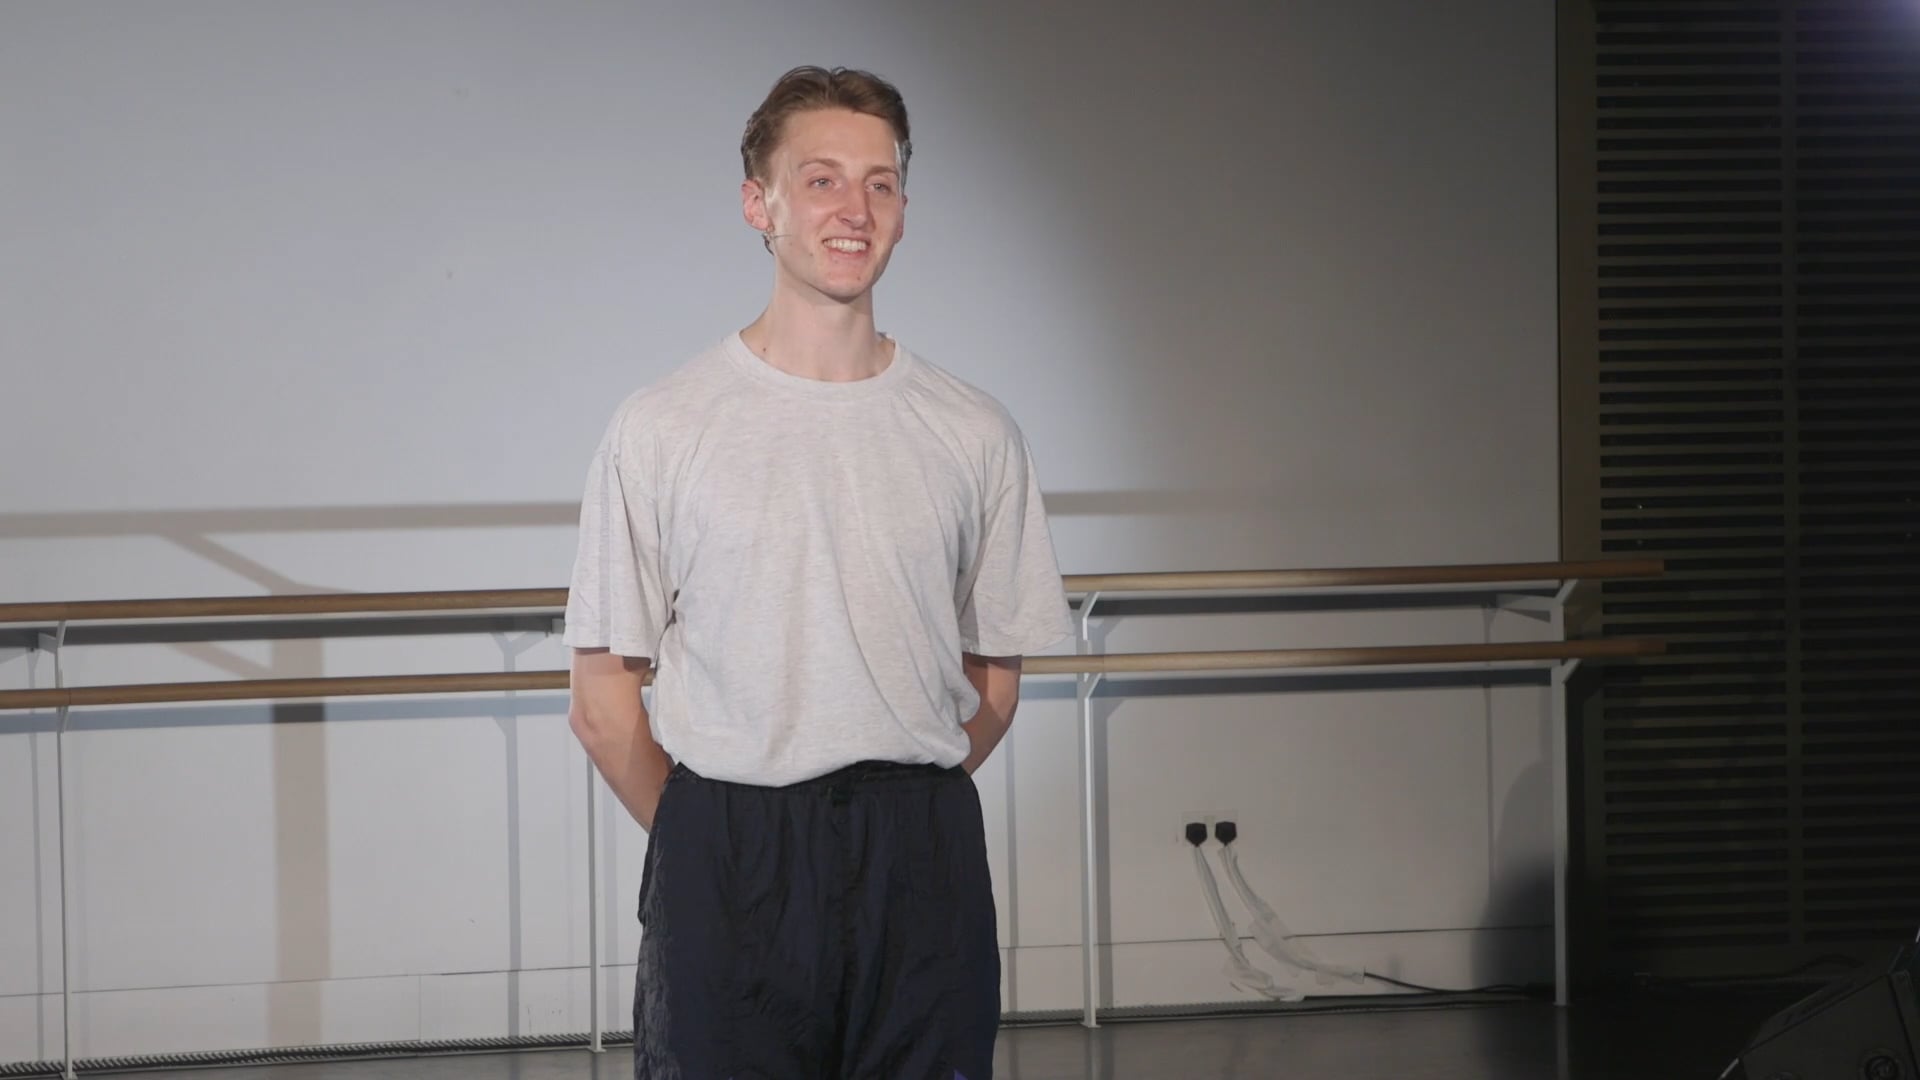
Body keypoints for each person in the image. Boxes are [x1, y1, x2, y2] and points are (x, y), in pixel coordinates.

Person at [561, 65, 1073, 1080]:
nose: (855, 209)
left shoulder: (970, 429)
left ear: (904, 210)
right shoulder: (666, 425)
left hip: (920, 847)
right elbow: (603, 703)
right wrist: (717, 842)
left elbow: (996, 677)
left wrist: (889, 791)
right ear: (762, 203)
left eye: (880, 183)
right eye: (824, 179)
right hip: (730, 844)